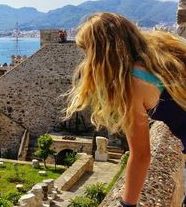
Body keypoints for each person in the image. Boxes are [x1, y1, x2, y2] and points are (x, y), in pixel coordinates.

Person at [64, 12, 186, 207]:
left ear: (101, 54)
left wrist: (126, 205)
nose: (86, 60)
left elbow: (140, 156)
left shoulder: (133, 84)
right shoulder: (161, 50)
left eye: (87, 52)